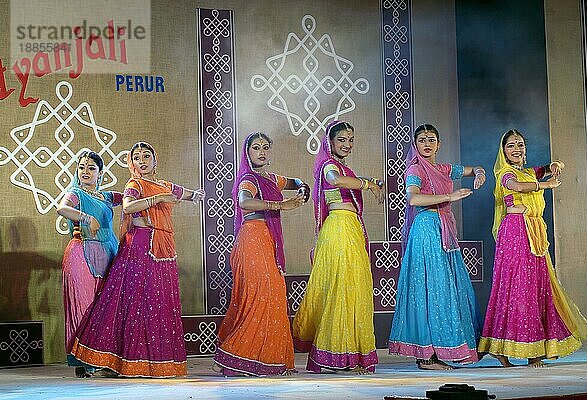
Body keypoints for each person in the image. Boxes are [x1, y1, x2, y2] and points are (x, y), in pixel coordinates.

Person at [70, 141, 204, 378]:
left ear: (155, 160)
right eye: (137, 157)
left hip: (163, 246)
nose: (142, 161)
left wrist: (196, 195)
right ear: (132, 163)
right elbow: (130, 206)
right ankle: (128, 361)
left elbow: (183, 193)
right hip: (140, 246)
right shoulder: (135, 184)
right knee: (137, 302)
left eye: (146, 156)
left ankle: (159, 362)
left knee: (160, 302)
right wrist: (158, 199)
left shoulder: (163, 185)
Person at [478, 129, 587, 368]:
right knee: (518, 288)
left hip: (535, 234)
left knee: (537, 286)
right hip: (516, 233)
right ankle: (502, 349)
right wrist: (545, 185)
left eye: (520, 144)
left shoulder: (529, 172)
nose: (516, 149)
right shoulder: (504, 173)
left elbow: (549, 167)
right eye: (511, 146)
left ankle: (535, 350)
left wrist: (556, 164)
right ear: (504, 151)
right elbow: (517, 187)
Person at [388, 123, 485, 370]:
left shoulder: (443, 168)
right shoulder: (416, 169)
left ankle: (447, 349)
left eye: (431, 139)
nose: (427, 144)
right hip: (427, 229)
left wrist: (480, 172)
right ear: (415, 145)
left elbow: (471, 169)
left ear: (439, 144)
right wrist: (449, 197)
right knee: (430, 289)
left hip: (444, 230)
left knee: (448, 288)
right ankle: (426, 357)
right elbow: (413, 198)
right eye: (422, 140)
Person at [292, 120, 384, 374]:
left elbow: (347, 179)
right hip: (339, 229)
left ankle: (351, 354)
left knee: (355, 289)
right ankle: (334, 355)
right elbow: (335, 179)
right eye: (341, 139)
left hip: (351, 228)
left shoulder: (345, 168)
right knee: (341, 289)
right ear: (330, 142)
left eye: (350, 140)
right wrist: (368, 184)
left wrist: (368, 180)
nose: (347, 144)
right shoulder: (329, 166)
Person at [213, 132, 308, 377]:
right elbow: (244, 202)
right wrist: (281, 205)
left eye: (266, 147)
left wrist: (302, 186)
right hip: (252, 239)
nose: (262, 152)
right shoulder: (248, 178)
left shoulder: (271, 178)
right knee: (258, 298)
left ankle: (265, 358)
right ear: (248, 153)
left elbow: (294, 181)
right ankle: (237, 356)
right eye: (256, 148)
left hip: (268, 241)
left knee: (273, 295)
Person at [57, 151, 122, 378]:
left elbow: (132, 198)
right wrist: (86, 218)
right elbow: (62, 208)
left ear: (100, 173)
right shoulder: (75, 193)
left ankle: (102, 357)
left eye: (91, 168)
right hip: (81, 254)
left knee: (103, 307)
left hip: (108, 254)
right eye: (82, 167)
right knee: (83, 307)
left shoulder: (106, 197)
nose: (85, 172)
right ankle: (81, 360)